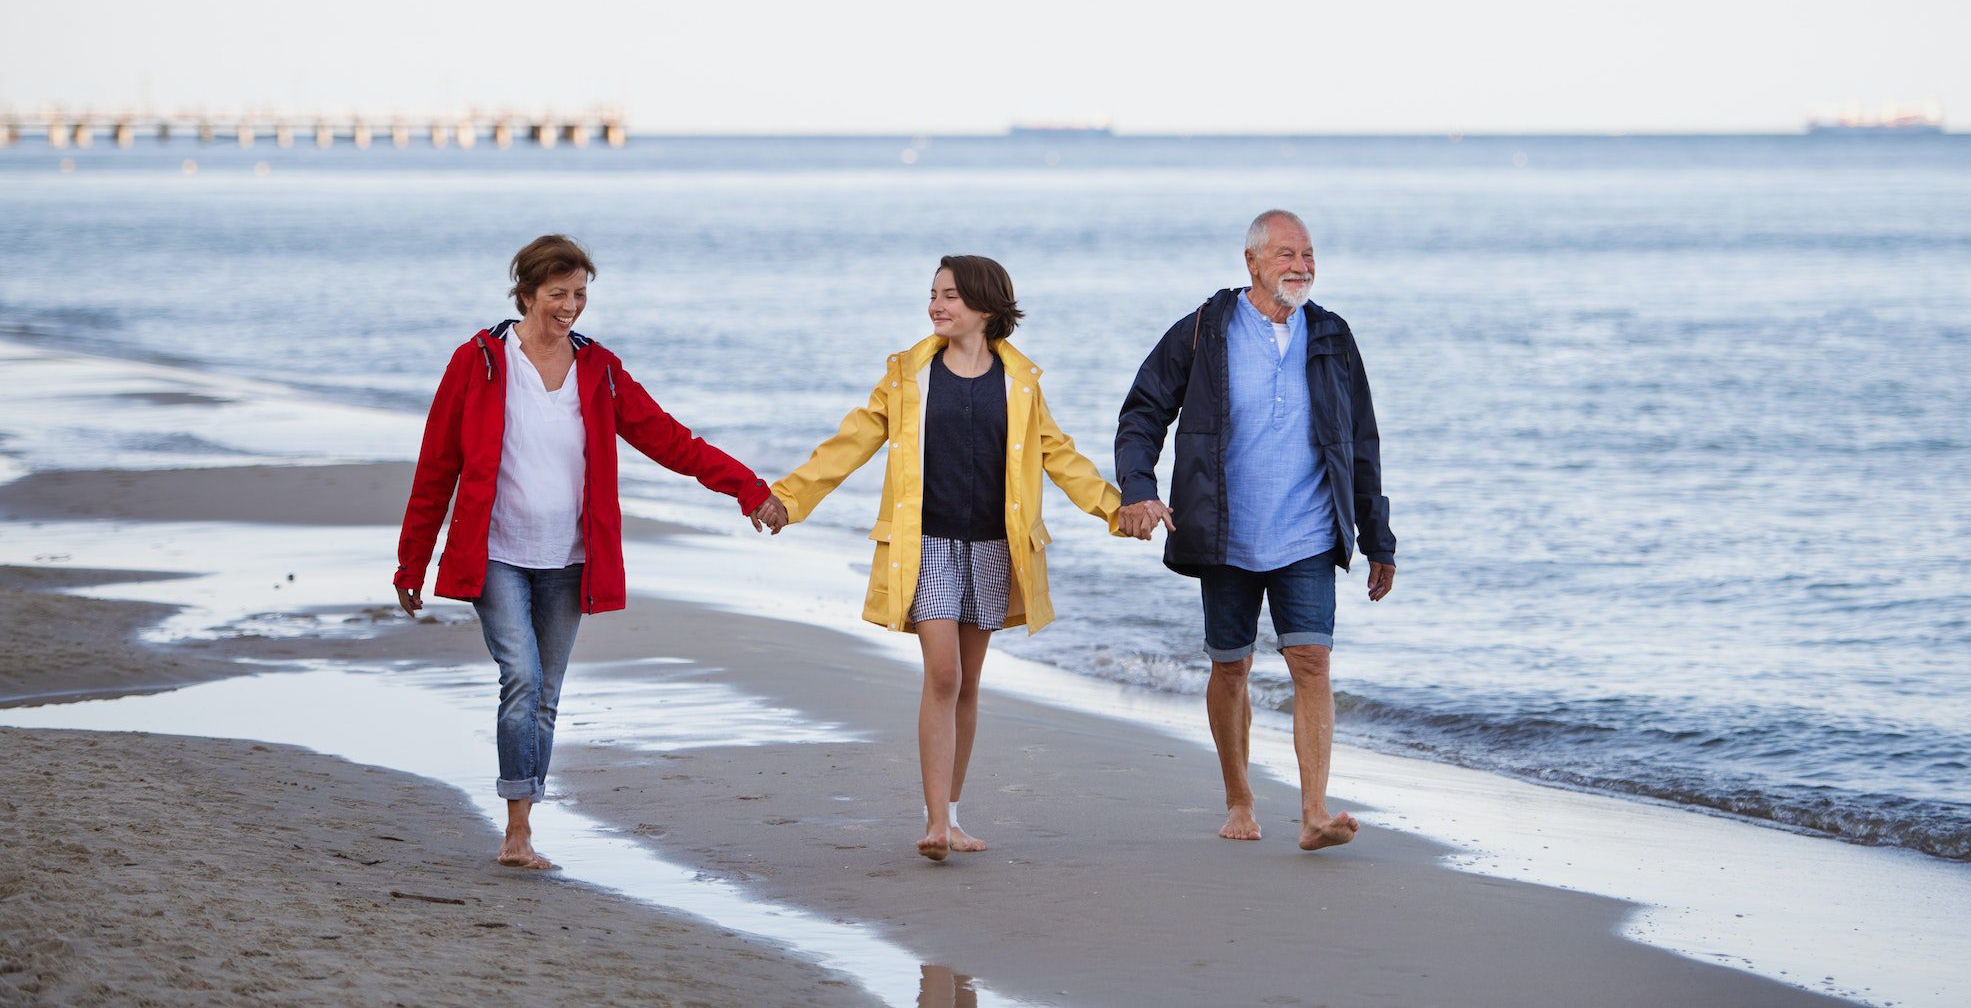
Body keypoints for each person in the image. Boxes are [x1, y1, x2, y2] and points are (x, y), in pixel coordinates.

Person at [393, 234, 786, 869]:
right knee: (520, 677)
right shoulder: (479, 362)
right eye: (558, 294)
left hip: (570, 558)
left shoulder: (599, 369)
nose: (571, 306)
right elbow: (436, 466)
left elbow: (670, 440)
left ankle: (525, 821)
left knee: (545, 692)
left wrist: (748, 489)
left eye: (580, 294)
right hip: (494, 552)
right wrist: (412, 562)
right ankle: (516, 832)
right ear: (525, 295)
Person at [767, 255, 1124, 861]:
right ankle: (934, 822)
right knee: (943, 674)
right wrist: (788, 498)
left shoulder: (1020, 383)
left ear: (985, 307)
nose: (937, 305)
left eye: (951, 296)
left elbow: (1061, 457)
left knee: (968, 684)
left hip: (992, 547)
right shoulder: (908, 377)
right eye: (933, 294)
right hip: (925, 545)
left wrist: (1118, 510)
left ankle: (953, 816)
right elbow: (850, 442)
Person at [1114, 210, 1397, 851]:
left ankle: (1314, 812)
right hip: (1224, 533)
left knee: (1312, 661)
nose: (1301, 266)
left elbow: (1362, 442)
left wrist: (1378, 537)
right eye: (1286, 255)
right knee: (1231, 668)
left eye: (1309, 255)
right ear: (1253, 262)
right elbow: (1143, 410)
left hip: (1308, 532)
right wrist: (1139, 488)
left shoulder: (1331, 335)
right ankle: (1239, 799)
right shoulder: (1204, 331)